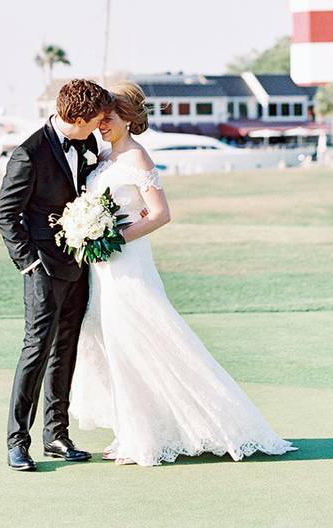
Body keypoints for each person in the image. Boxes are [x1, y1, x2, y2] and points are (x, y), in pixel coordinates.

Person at [69, 82, 296, 467]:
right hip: (103, 271)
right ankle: (132, 429)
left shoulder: (137, 160)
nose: (101, 124)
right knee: (115, 347)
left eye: (108, 118)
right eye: (100, 119)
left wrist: (111, 237)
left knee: (142, 341)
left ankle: (164, 433)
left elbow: (161, 214)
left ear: (128, 118)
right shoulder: (103, 156)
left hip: (128, 264)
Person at [0, 78, 113, 472]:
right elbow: (6, 214)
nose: (100, 126)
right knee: (36, 350)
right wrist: (30, 263)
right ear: (77, 118)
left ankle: (56, 435)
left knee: (66, 348)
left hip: (80, 264)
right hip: (42, 268)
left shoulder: (89, 144)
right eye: (95, 120)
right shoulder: (29, 154)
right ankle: (17, 441)